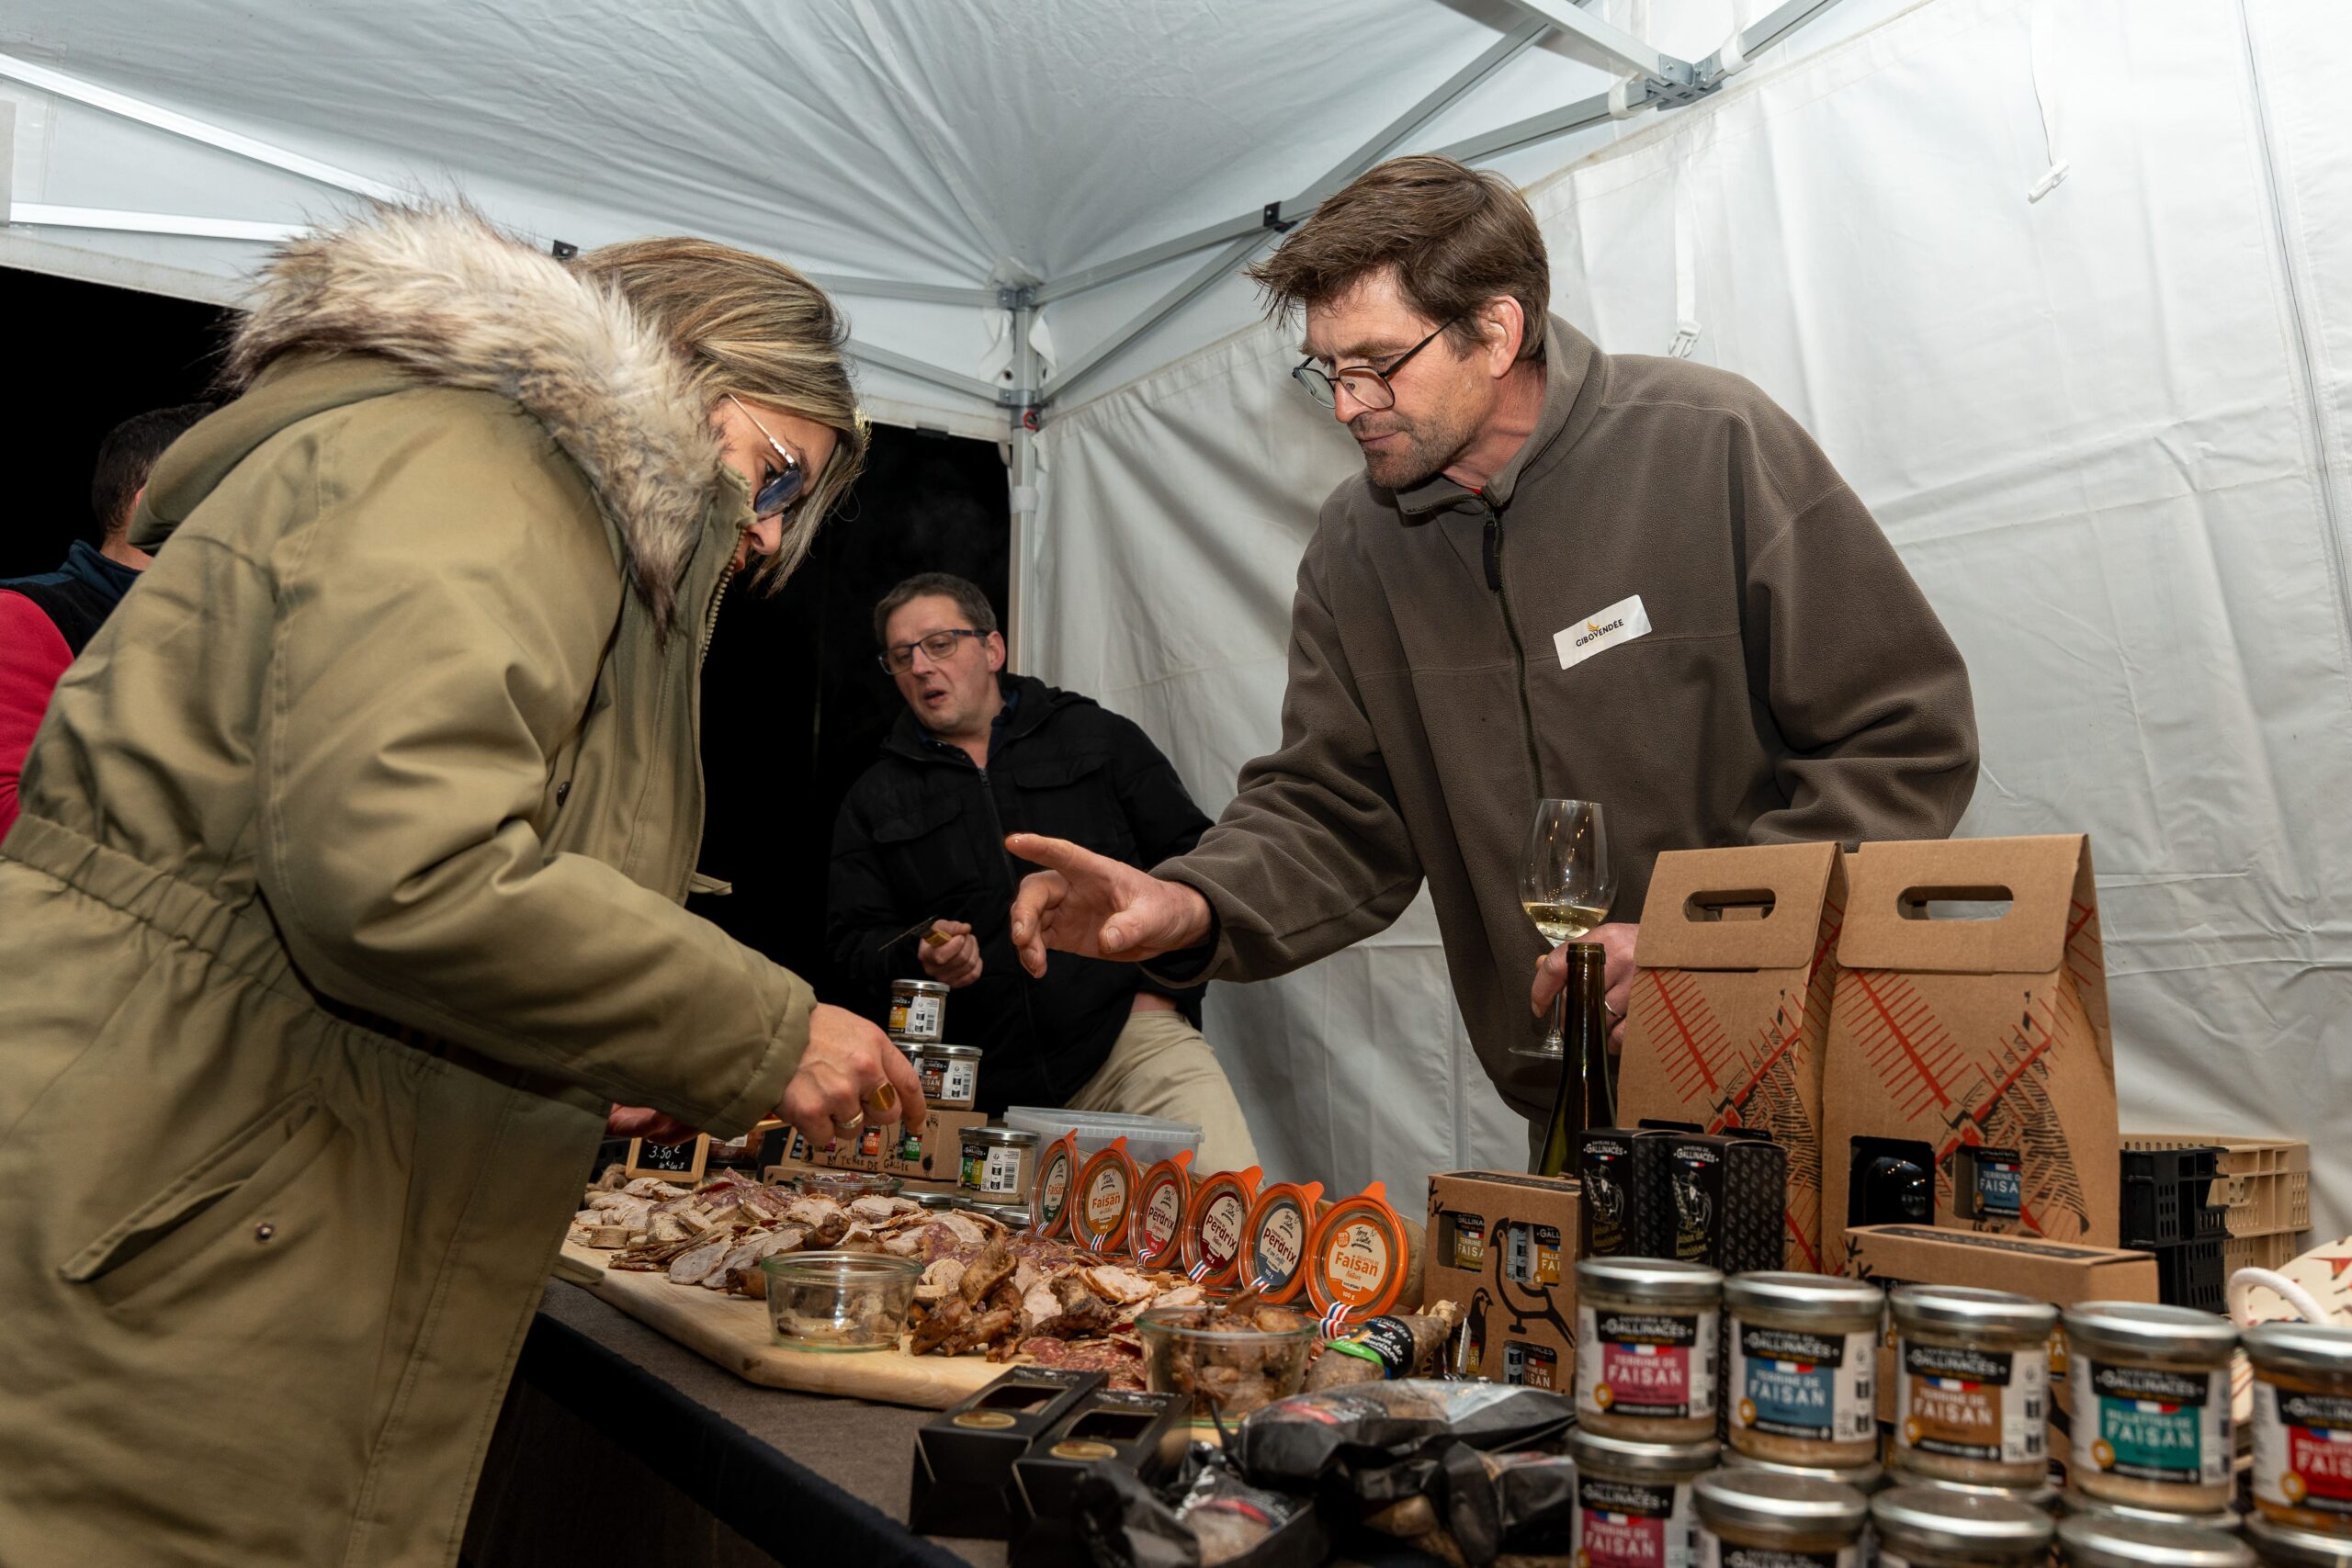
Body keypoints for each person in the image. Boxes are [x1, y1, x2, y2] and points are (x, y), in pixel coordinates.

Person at [0, 204, 923, 1565]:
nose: (767, 539)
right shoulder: (491, 458)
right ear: (669, 370)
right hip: (182, 1195)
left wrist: (583, 1041)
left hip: (204, 1166)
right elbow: (402, 869)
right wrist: (764, 1029)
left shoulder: (475, 464)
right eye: (773, 475)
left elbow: (342, 866)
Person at [1006, 153, 1977, 1145]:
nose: (1346, 405)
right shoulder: (1356, 548)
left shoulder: (1710, 443)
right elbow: (1336, 810)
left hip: (1797, 1085)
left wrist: (1707, 938)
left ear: (1498, 331)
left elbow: (1902, 738)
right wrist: (1190, 903)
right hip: (1570, 1105)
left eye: (1377, 364)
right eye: (1326, 370)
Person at [829, 572, 1260, 1169]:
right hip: (983, 1097)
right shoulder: (874, 799)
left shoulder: (1097, 738)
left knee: (1227, 1203)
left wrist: (1161, 994)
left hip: (1130, 1049)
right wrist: (919, 952)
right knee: (999, 1239)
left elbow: (1194, 865)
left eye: (939, 644)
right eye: (901, 656)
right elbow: (851, 947)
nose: (921, 667)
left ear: (992, 648)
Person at [0, 401, 211, 836]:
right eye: (241, 496)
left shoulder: (247, 628)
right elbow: (15, 815)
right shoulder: (25, 614)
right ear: (159, 508)